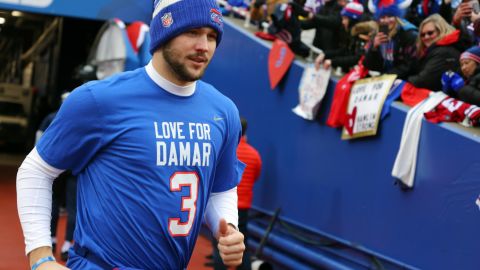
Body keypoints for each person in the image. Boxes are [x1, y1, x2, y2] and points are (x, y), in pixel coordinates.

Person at [17, 0, 246, 269]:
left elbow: (221, 187)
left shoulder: (224, 110)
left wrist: (227, 227)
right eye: (192, 32)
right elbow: (36, 170)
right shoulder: (99, 99)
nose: (204, 46)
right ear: (165, 31)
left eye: (212, 36)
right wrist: (40, 256)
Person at [212, 117, 262, 270]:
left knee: (221, 245)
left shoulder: (222, 151)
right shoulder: (255, 155)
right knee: (241, 246)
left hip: (222, 207)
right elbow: (256, 176)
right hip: (243, 207)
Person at [35, 92, 77, 262]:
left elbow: (39, 141)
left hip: (57, 169)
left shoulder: (51, 118)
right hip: (73, 170)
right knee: (73, 208)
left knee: (53, 204)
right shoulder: (83, 119)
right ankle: (66, 244)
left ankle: (52, 240)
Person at [406, 14, 470, 91]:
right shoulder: (431, 50)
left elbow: (423, 80)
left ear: (441, 31)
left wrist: (403, 82)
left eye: (430, 33)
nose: (426, 37)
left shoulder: (443, 51)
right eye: (422, 35)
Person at [364, 0, 418, 79]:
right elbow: (370, 65)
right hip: (384, 79)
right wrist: (374, 48)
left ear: (397, 17)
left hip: (403, 80)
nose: (386, 21)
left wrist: (385, 76)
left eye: (390, 16)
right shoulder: (378, 33)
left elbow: (410, 66)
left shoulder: (408, 34)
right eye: (382, 17)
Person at [314, 2, 369, 72]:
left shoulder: (362, 34)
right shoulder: (350, 31)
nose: (343, 22)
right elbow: (345, 50)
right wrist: (325, 54)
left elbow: (357, 58)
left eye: (345, 19)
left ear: (353, 20)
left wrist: (332, 61)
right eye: (343, 18)